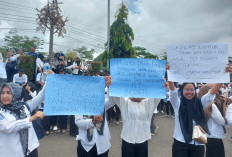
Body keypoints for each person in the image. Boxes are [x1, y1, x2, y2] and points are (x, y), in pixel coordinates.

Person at [166, 63, 229, 157]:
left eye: (191, 90)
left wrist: (224, 75)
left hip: (198, 143)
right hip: (180, 143)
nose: (189, 92)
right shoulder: (177, 104)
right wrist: (169, 73)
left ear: (195, 91)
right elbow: (173, 92)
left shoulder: (201, 102)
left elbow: (211, 92)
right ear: (182, 90)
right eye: (186, 90)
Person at [0, 82, 46, 157]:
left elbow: (40, 97)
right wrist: (30, 119)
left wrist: (49, 79)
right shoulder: (1, 112)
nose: (4, 96)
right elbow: (8, 127)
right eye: (2, 93)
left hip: (31, 149)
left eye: (8, 93)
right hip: (12, 153)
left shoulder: (24, 106)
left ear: (16, 94)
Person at [75, 76, 112, 157]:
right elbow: (79, 122)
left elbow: (112, 100)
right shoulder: (80, 104)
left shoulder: (101, 103)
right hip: (86, 145)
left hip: (102, 144)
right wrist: (93, 121)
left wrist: (110, 87)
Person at [198, 84, 227, 157]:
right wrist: (224, 104)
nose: (216, 93)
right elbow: (222, 121)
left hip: (210, 136)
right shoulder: (211, 105)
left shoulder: (203, 103)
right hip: (214, 136)